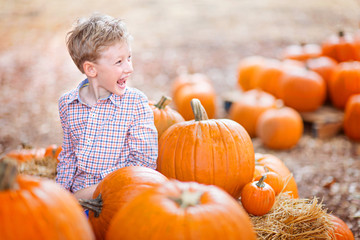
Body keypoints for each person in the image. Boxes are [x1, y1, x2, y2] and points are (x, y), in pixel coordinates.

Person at [56, 13, 158, 200]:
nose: (129, 68)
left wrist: (89, 193)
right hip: (76, 199)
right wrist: (59, 197)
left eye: (129, 57)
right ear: (91, 69)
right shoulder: (68, 105)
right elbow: (68, 157)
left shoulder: (135, 104)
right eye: (119, 62)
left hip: (119, 195)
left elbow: (143, 165)